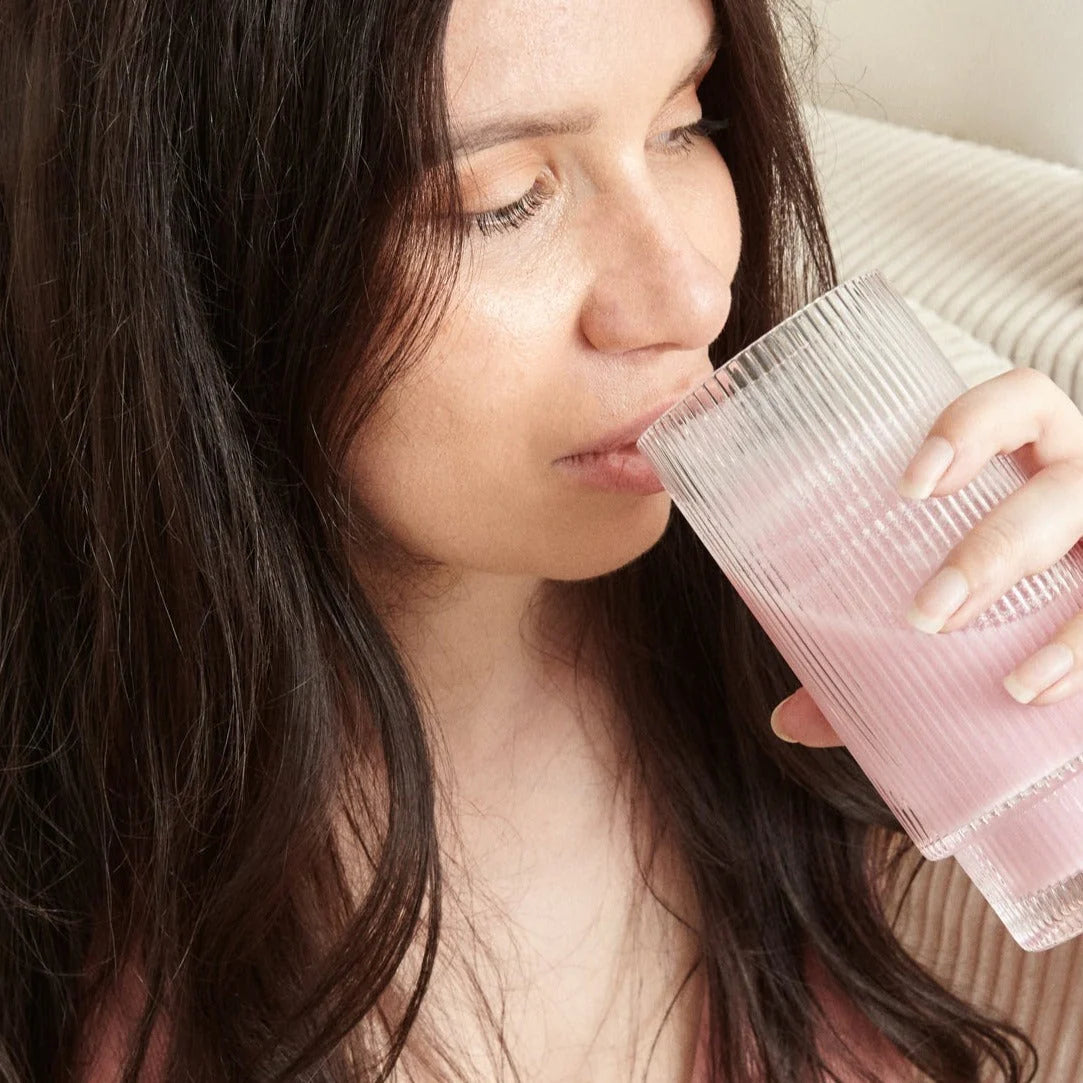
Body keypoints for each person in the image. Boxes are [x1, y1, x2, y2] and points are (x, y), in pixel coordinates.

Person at [4, 0, 1082, 1079]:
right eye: (503, 203)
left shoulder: (891, 524)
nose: (691, 296)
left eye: (685, 125)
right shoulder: (62, 851)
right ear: (188, 242)